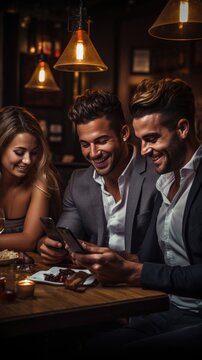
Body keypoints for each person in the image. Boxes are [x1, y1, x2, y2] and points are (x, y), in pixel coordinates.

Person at [69, 78, 202, 351]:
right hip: (168, 309)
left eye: (152, 139)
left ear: (183, 128)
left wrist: (135, 272)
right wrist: (115, 259)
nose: (144, 151)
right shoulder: (166, 180)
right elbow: (157, 259)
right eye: (141, 141)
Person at [37, 89, 158, 264]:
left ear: (124, 133)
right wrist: (47, 245)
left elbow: (164, 253)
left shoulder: (157, 176)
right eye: (85, 144)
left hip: (145, 283)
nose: (93, 154)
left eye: (101, 141)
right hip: (97, 286)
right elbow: (65, 237)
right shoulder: (78, 182)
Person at [0, 106, 61, 251]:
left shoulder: (40, 182)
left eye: (34, 152)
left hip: (23, 271)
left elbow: (29, 241)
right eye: (19, 152)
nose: (27, 160)